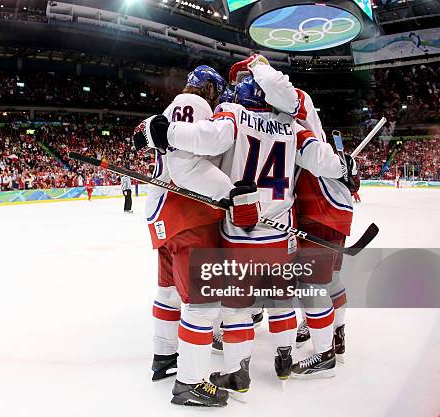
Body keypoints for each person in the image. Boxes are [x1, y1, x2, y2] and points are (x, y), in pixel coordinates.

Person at [159, 56, 347, 397]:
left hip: (241, 234)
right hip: (281, 234)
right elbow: (327, 163)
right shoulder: (293, 127)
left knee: (238, 307)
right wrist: (344, 167)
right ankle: (285, 357)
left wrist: (167, 131)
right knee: (283, 299)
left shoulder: (234, 114)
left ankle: (237, 371)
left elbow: (209, 139)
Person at [133, 65, 235, 407]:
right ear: (209, 89)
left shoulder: (168, 109)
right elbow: (187, 167)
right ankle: (190, 384)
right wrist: (232, 194)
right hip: (187, 216)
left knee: (169, 293)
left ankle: (164, 358)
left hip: (161, 216)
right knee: (203, 304)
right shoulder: (197, 107)